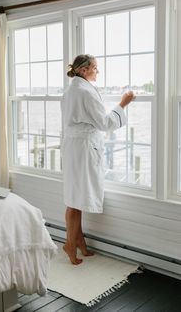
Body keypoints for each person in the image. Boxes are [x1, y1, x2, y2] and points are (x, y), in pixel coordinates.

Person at [61, 54, 135, 265]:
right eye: (95, 68)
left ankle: (79, 244)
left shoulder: (70, 90)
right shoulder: (84, 91)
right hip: (83, 149)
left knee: (74, 199)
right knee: (76, 202)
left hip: (73, 146)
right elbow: (104, 123)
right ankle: (70, 245)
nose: (97, 72)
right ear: (84, 70)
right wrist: (123, 104)